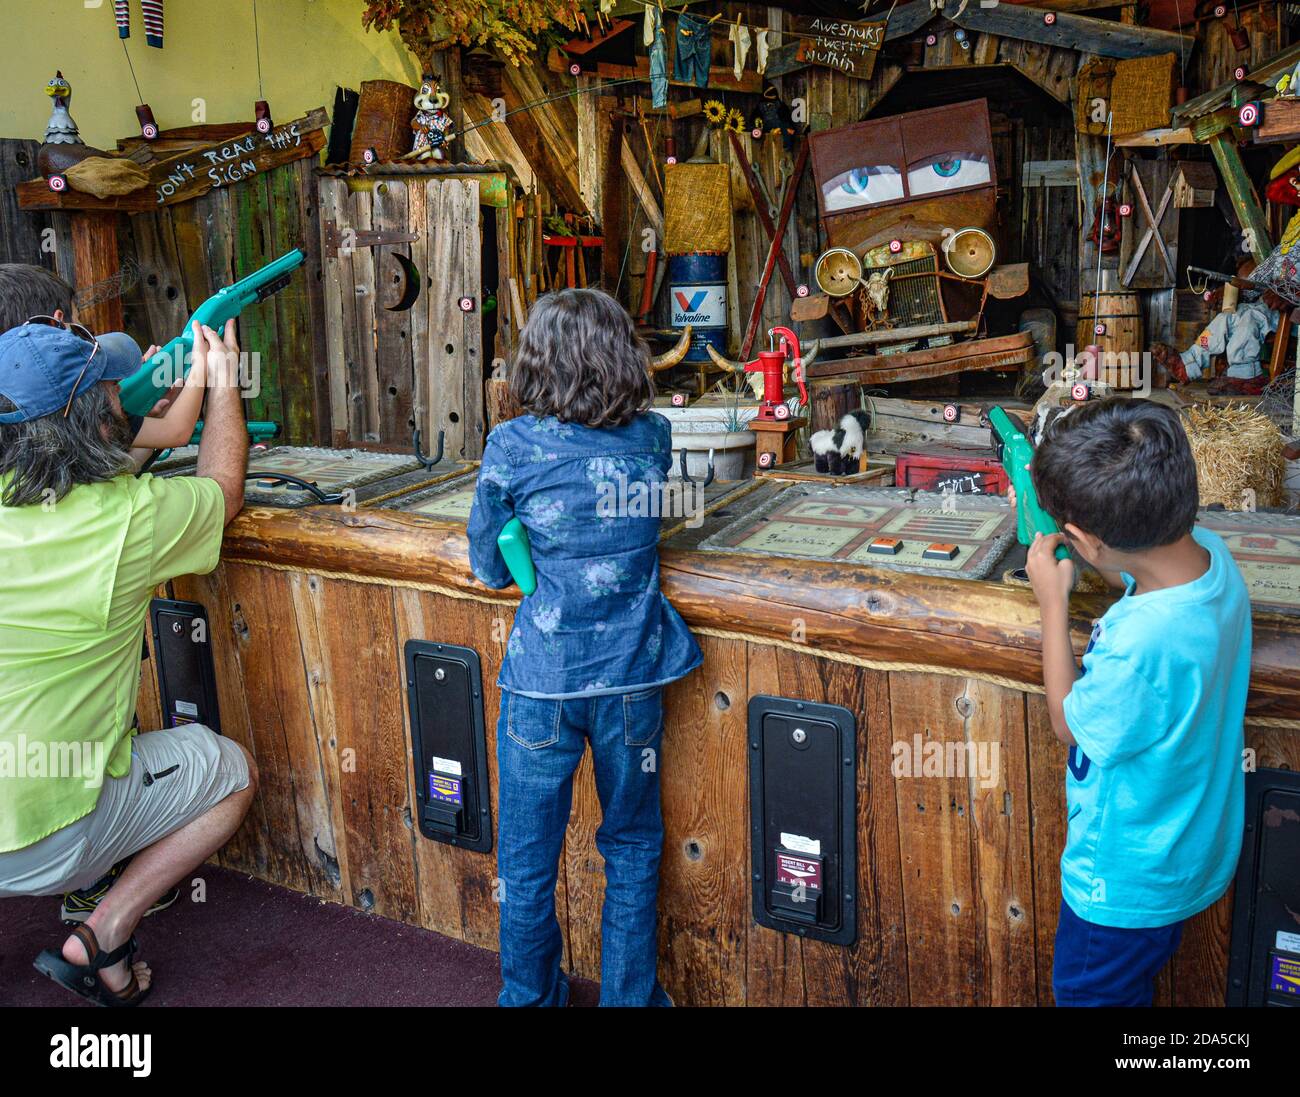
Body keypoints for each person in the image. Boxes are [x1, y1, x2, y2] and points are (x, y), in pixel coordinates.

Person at [0, 311, 255, 1007]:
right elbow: (223, 493)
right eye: (110, 387)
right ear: (92, 416)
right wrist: (225, 383)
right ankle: (103, 930)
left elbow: (87, 483)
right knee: (231, 772)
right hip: (47, 834)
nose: (121, 392)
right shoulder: (127, 520)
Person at [467, 288, 702, 1007]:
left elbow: (486, 565)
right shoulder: (652, 438)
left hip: (542, 682)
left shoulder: (511, 446)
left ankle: (529, 998)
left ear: (535, 363)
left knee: (527, 861)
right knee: (630, 847)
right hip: (632, 682)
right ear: (623, 356)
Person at [1020, 398, 1250, 1007]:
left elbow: (1068, 722)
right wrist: (1107, 562)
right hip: (1186, 851)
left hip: (1121, 882)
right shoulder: (1214, 560)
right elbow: (1145, 577)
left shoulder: (1144, 644)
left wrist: (1052, 600)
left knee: (1091, 994)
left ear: (1085, 541)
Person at [0, 264, 202, 467]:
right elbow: (176, 431)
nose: (90, 335)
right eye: (81, 324)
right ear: (56, 323)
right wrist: (202, 369)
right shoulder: (85, 401)